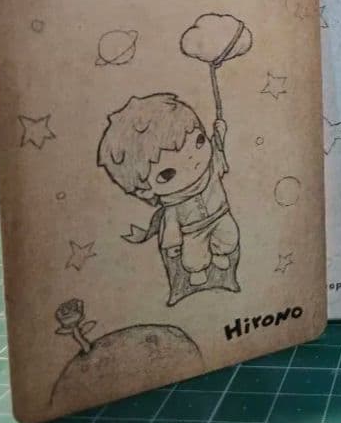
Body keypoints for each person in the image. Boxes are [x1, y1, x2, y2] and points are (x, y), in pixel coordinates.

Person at [98, 93, 240, 293]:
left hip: (221, 215)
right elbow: (171, 225)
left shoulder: (211, 172)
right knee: (193, 258)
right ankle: (198, 269)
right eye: (167, 174)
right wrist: (172, 243)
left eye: (199, 141)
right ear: (145, 191)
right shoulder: (173, 203)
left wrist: (220, 135)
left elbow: (219, 155)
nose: (193, 161)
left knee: (229, 238)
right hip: (193, 231)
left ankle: (220, 253)